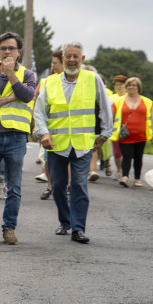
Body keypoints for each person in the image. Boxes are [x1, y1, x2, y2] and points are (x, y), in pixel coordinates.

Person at [33, 42, 114, 244]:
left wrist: (104, 134)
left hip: (83, 144)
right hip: (56, 144)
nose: (71, 60)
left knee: (79, 184)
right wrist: (43, 133)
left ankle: (78, 228)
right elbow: (39, 111)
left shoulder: (92, 79)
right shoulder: (49, 82)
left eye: (75, 56)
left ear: (82, 59)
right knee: (58, 186)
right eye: (67, 56)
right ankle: (65, 221)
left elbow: (105, 107)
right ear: (62, 59)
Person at [0, 32, 37, 245]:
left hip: (16, 137)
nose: (7, 52)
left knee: (14, 186)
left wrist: (12, 75)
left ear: (19, 52)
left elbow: (28, 96)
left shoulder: (28, 75)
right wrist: (10, 98)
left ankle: (9, 227)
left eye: (11, 48)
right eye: (3, 48)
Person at [112, 77, 153, 187]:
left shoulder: (147, 102)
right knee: (126, 155)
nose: (131, 87)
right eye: (129, 85)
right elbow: (111, 116)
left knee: (138, 157)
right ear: (126, 87)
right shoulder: (118, 101)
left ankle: (137, 179)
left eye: (134, 85)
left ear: (139, 87)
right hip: (125, 135)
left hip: (141, 135)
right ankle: (125, 176)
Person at [35, 50, 63, 199]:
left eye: (55, 63)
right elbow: (38, 102)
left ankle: (66, 187)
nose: (53, 66)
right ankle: (50, 186)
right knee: (48, 159)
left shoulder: (74, 82)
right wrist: (38, 125)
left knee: (68, 162)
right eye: (52, 63)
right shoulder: (47, 81)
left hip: (67, 129)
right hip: (50, 127)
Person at [107, 74, 128, 177]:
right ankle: (120, 170)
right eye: (116, 85)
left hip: (129, 128)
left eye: (121, 84)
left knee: (127, 152)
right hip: (115, 128)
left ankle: (125, 171)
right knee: (117, 152)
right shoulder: (111, 98)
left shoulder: (130, 97)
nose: (119, 87)